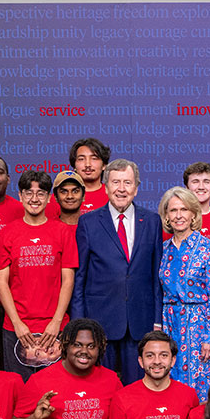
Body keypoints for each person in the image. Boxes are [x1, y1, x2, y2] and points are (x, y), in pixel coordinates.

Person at [73, 159, 162, 383]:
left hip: (140, 321)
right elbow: (80, 278)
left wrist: (158, 319)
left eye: (127, 183)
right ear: (105, 187)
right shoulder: (88, 223)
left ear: (136, 187)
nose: (121, 189)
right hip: (100, 321)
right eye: (115, 182)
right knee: (101, 385)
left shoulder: (152, 221)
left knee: (138, 388)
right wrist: (78, 324)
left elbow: (156, 277)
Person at [0, 171, 77, 379]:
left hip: (54, 328)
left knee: (56, 391)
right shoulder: (7, 233)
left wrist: (56, 322)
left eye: (40, 193)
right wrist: (17, 323)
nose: (34, 199)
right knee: (21, 394)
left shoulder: (62, 232)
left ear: (49, 198)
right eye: (28, 193)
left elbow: (68, 280)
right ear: (20, 196)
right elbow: (1, 282)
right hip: (17, 329)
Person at [159, 186, 210, 399]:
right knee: (170, 377)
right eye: (173, 210)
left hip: (199, 326)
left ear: (193, 213)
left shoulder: (208, 248)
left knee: (199, 384)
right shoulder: (163, 249)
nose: (178, 216)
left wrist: (209, 336)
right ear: (166, 215)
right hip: (170, 323)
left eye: (184, 210)